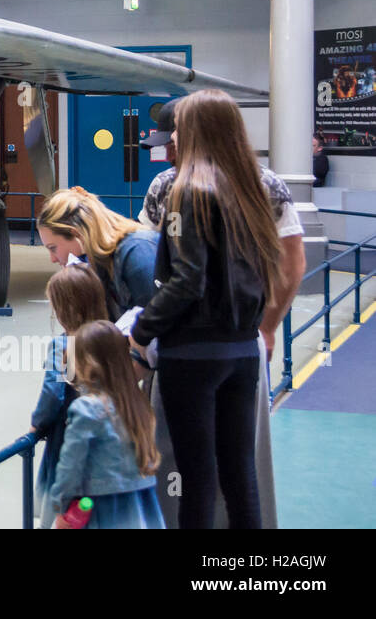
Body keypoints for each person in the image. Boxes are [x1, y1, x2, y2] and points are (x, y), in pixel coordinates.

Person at [139, 98, 307, 530]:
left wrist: (140, 332)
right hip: (243, 348)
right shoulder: (261, 186)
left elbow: (180, 277)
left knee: (194, 479)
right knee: (240, 474)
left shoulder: (176, 191)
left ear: (193, 131)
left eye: (177, 129)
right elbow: (290, 263)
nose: (171, 138)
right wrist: (266, 329)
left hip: (189, 352)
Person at [47, 321, 165, 529]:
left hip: (102, 509)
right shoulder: (138, 404)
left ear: (85, 364)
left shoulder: (86, 409)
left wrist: (60, 505)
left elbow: (71, 465)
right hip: (141, 506)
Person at [29, 264, 110, 528]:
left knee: (64, 505)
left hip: (68, 439)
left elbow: (52, 393)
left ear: (63, 311)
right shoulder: (113, 338)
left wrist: (37, 423)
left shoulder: (62, 346)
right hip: (106, 441)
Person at [37, 187, 160, 319]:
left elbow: (155, 324)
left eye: (53, 248)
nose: (53, 259)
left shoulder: (137, 252)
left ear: (76, 234)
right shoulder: (100, 262)